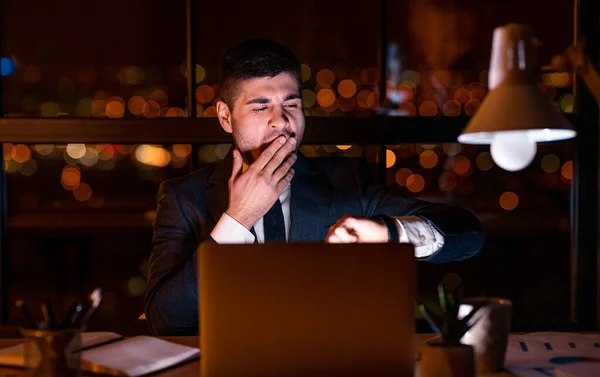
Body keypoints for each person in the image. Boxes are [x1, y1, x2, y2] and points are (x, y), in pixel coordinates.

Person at [145, 39, 484, 335]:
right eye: (261, 106)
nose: (281, 120)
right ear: (225, 116)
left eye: (291, 104)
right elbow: (165, 319)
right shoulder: (182, 197)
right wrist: (237, 218)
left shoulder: (347, 182)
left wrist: (388, 234)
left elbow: (467, 234)